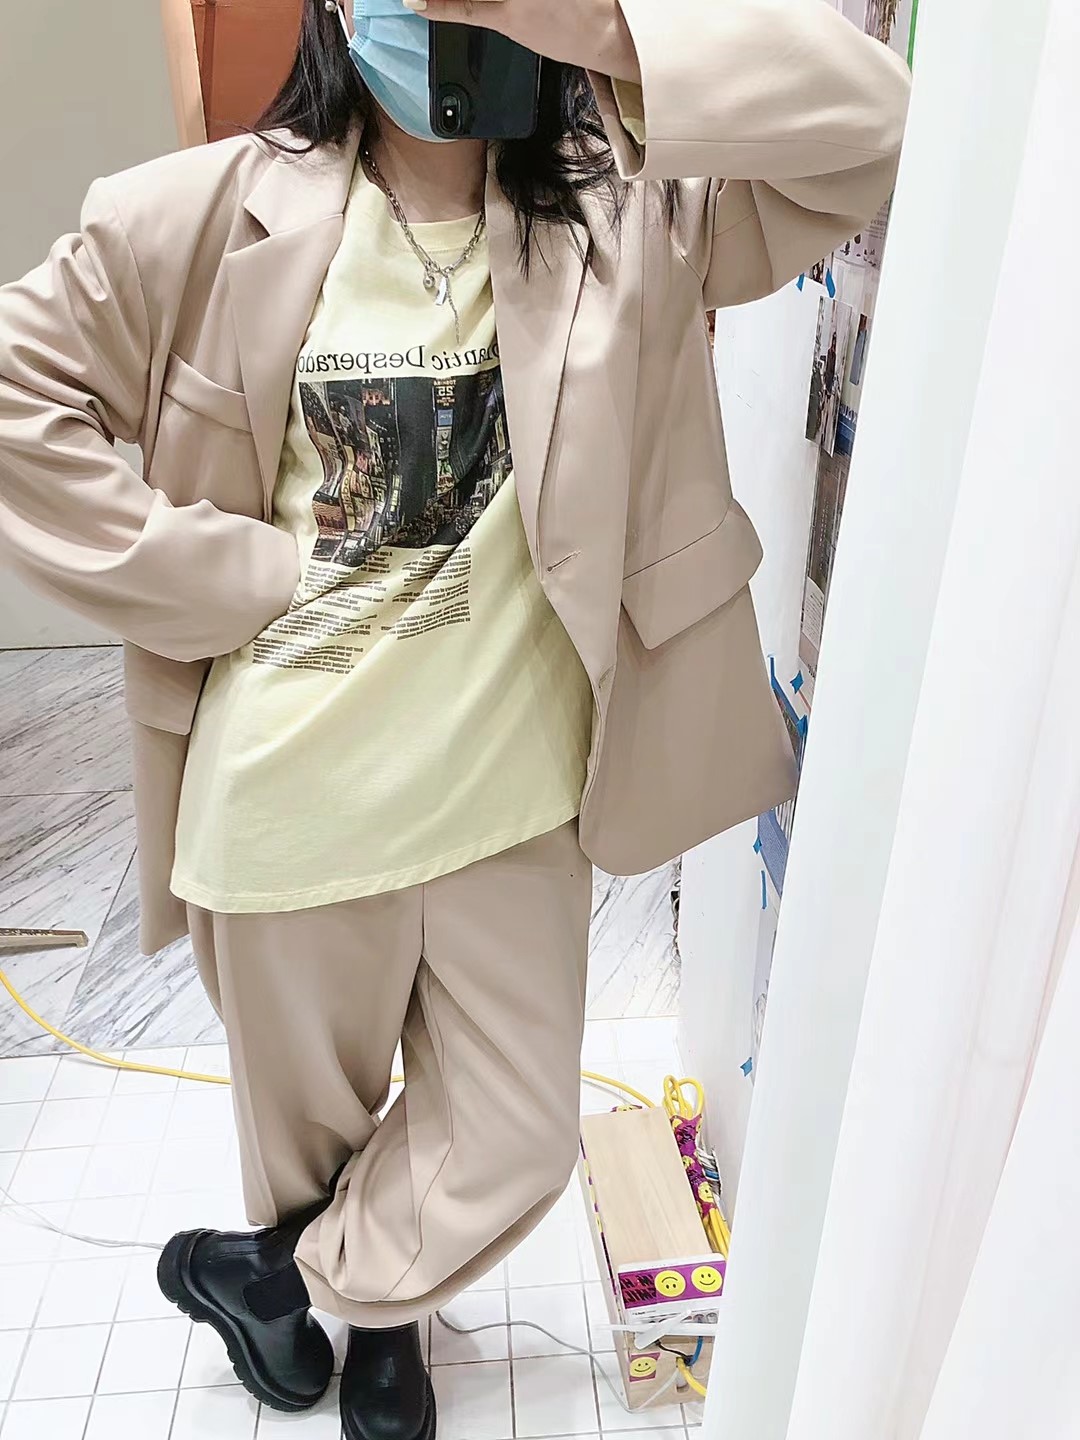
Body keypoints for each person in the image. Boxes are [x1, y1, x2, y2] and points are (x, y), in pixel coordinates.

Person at [0, 1, 910, 1435]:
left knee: (514, 1136)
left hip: (513, 794)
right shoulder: (197, 214)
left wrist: (598, 27)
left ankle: (290, 1281)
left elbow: (868, 124)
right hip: (289, 800)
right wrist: (209, 572)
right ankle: (374, 1324)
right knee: (310, 1135)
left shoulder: (636, 214)